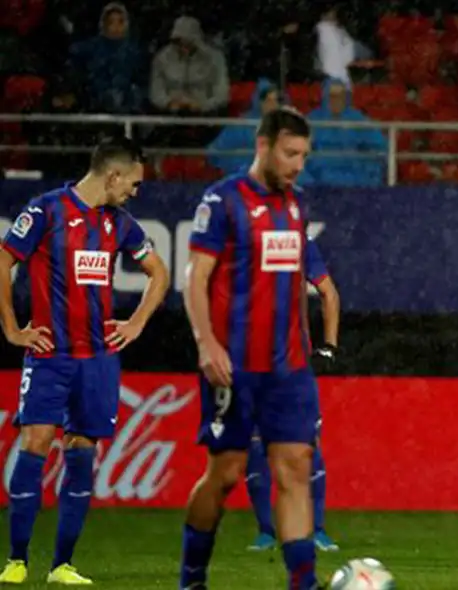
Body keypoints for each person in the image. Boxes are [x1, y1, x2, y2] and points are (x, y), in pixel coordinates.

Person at [0, 137, 169, 585]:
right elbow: (2, 260)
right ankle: (17, 559)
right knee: (35, 441)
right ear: (112, 176)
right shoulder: (45, 211)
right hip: (50, 355)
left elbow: (160, 273)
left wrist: (135, 323)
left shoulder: (122, 224)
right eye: (132, 183)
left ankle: (61, 566)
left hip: (97, 359)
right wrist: (13, 328)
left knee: (82, 452)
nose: (135, 191)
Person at [179, 107, 321, 590]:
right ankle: (191, 577)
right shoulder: (221, 201)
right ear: (263, 146)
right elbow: (194, 279)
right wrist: (206, 344)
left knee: (296, 466)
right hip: (234, 367)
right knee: (225, 473)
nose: (298, 164)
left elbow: (298, 284)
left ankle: (302, 583)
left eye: (303, 155)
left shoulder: (297, 207)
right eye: (290, 153)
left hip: (289, 369)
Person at [245, 237, 341, 553]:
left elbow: (328, 292)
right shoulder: (242, 243)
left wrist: (329, 345)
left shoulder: (299, 242)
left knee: (306, 446)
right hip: (252, 361)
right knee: (257, 445)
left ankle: (317, 530)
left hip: (293, 363)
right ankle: (266, 532)